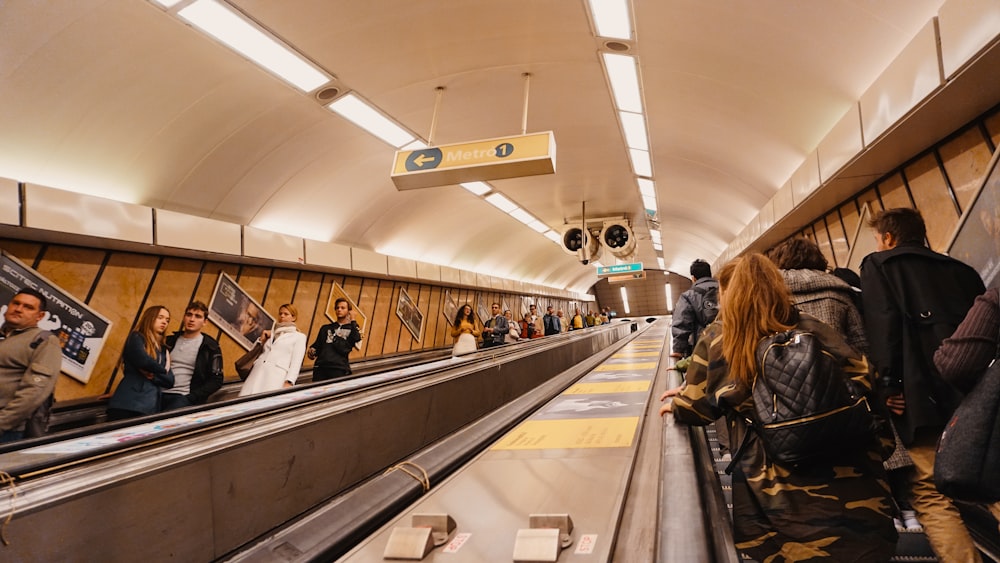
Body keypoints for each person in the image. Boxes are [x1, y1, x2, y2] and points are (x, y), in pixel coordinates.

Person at [662, 254, 897, 562]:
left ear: (726, 295)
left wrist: (677, 404)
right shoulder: (817, 329)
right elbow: (869, 388)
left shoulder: (721, 338)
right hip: (863, 496)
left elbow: (696, 408)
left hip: (784, 506)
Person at [860, 207, 985, 562]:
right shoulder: (961, 271)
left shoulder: (879, 265)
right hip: (973, 394)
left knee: (931, 494)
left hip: (918, 397)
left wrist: (887, 387)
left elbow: (883, 331)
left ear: (887, 237)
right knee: (990, 481)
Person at [768, 236, 919, 529]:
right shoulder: (838, 292)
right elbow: (862, 345)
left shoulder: (773, 297)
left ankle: (858, 516)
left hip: (796, 391)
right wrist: (878, 387)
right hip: (847, 387)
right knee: (870, 443)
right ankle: (903, 512)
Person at [0, 288, 62, 442]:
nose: (19, 309)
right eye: (16, 303)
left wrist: (2, 423)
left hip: (7, 430)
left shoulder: (44, 341)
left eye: (28, 307)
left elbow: (35, 391)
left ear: (39, 316)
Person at [107, 305, 175, 420]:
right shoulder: (137, 337)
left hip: (148, 407)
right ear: (150, 318)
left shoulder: (163, 350)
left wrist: (152, 375)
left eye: (167, 320)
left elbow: (170, 380)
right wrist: (162, 371)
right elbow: (142, 360)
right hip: (127, 402)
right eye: (160, 317)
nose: (164, 322)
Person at [162, 301, 223, 411]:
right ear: (184, 317)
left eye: (198, 316)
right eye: (189, 315)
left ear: (205, 322)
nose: (192, 319)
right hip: (157, 393)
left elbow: (216, 379)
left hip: (182, 397)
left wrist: (192, 397)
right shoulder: (169, 341)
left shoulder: (210, 347)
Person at [238, 304, 307, 396]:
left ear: (293, 317)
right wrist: (261, 340)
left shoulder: (299, 337)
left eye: (286, 314)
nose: (282, 316)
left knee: (264, 403)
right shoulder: (270, 333)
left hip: (275, 378)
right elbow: (255, 352)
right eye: (280, 313)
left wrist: (289, 381)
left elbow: (296, 362)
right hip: (256, 373)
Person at [671, 258, 718, 358]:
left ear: (693, 278)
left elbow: (681, 323)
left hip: (703, 347)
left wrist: (678, 349)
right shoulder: (727, 289)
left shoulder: (688, 296)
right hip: (731, 342)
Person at [308, 298, 362, 382]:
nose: (339, 310)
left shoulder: (352, 328)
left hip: (339, 368)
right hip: (321, 368)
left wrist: (353, 319)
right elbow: (317, 345)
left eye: (342, 308)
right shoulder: (326, 328)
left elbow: (356, 338)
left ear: (349, 311)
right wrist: (312, 350)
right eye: (337, 308)